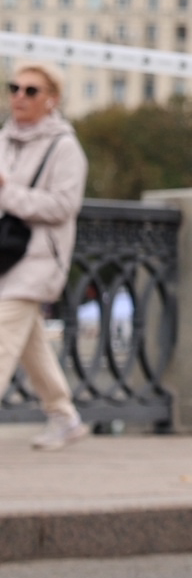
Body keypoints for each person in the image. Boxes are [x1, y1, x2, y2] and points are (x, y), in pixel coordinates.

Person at [0, 61, 89, 452]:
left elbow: (63, 205)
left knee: (2, 336)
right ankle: (64, 416)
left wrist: (7, 191)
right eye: (14, 87)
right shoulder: (3, 139)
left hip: (38, 260)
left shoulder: (65, 147)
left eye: (30, 91)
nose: (19, 96)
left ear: (51, 101)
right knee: (31, 343)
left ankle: (63, 417)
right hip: (5, 256)